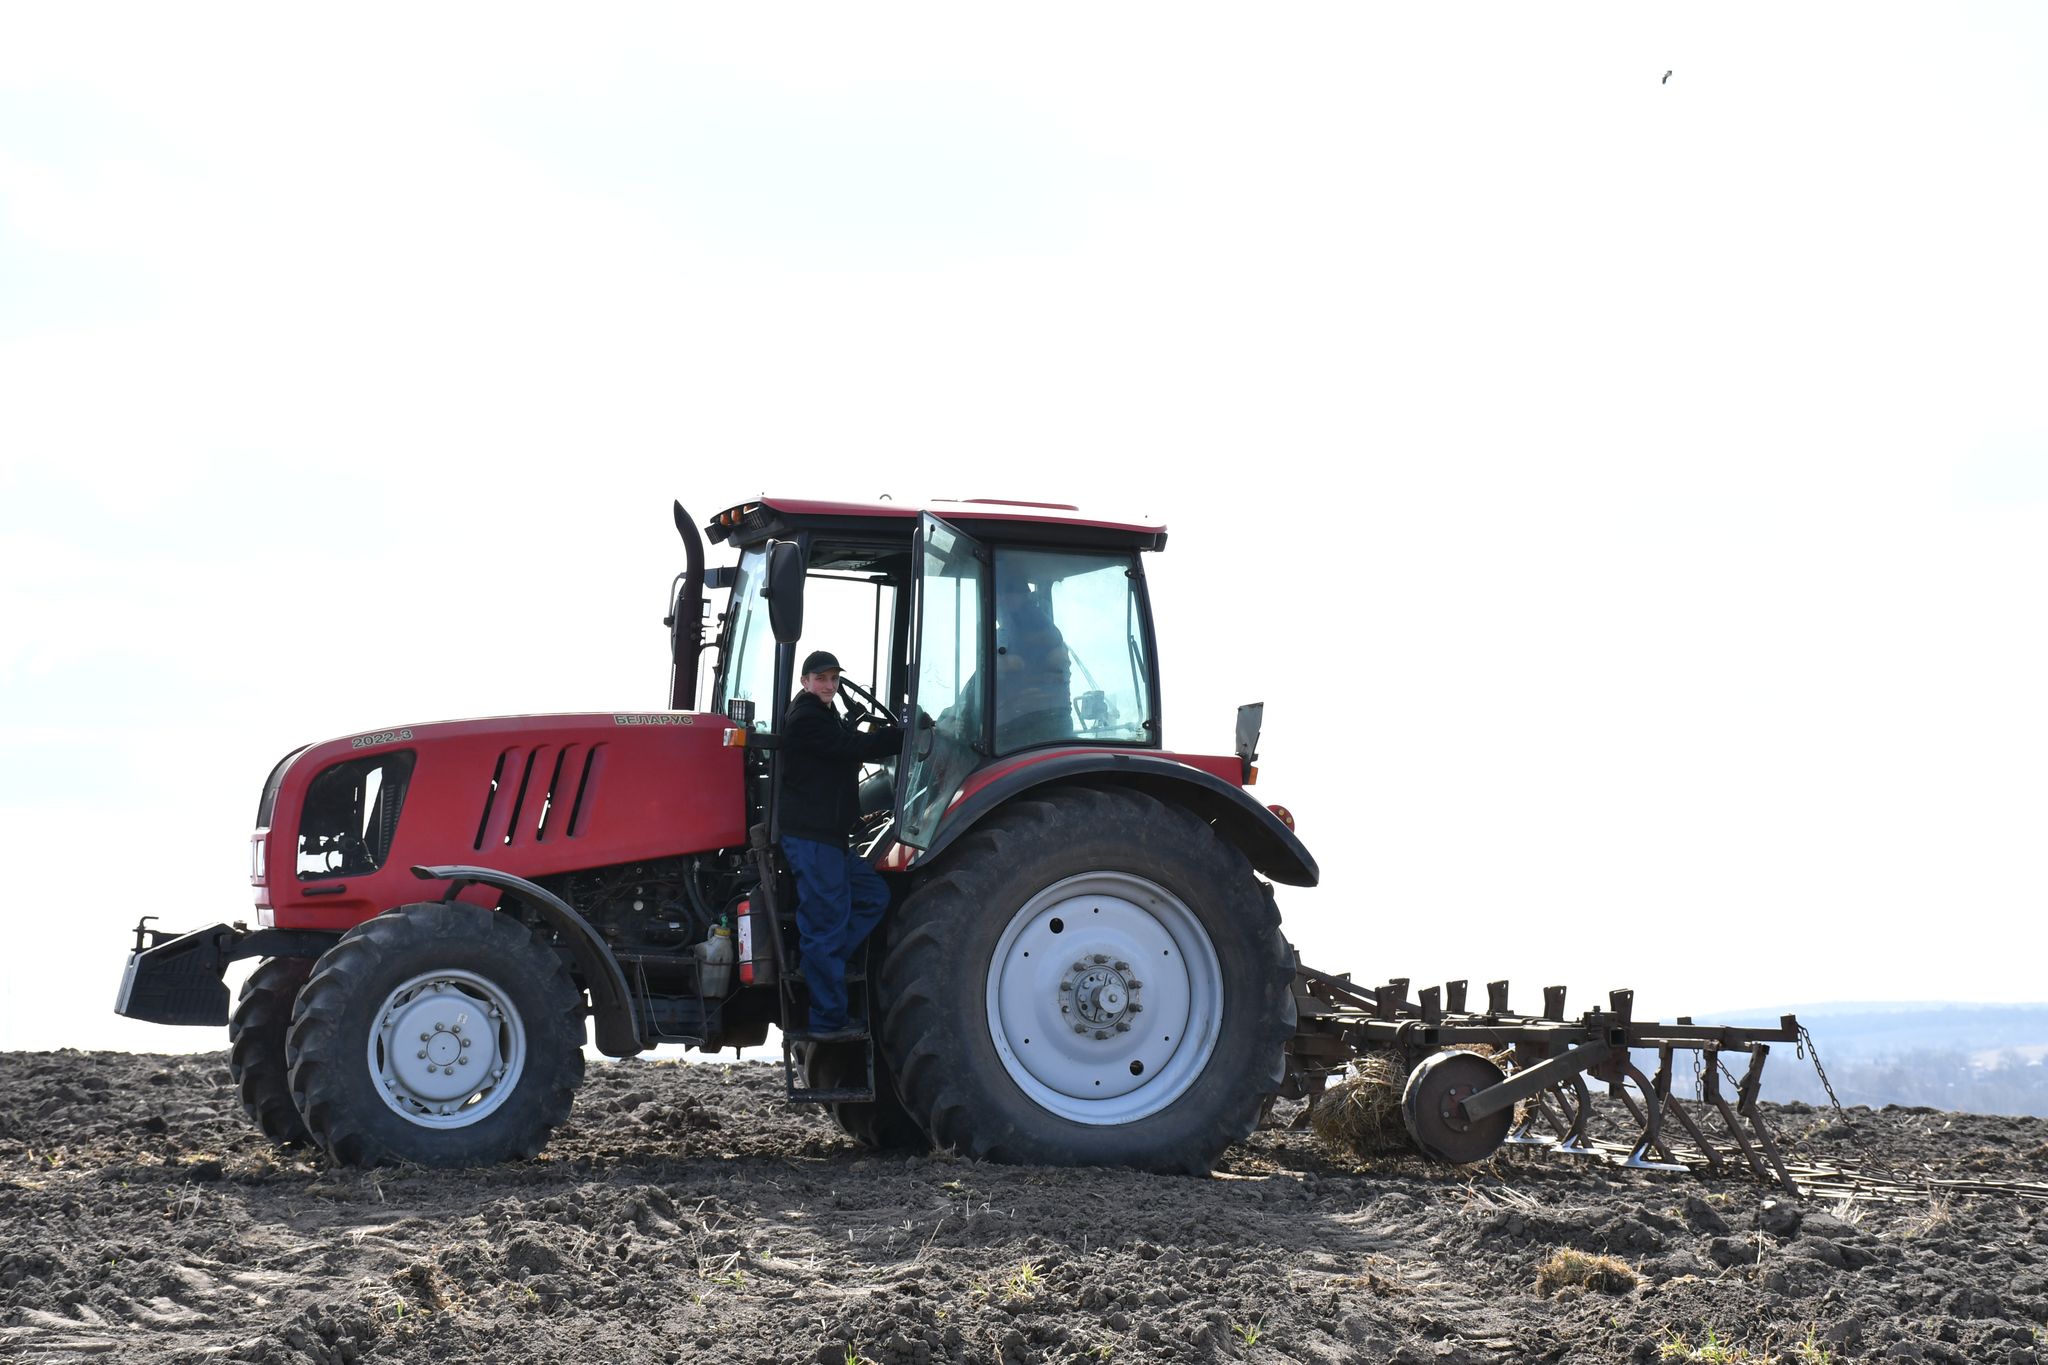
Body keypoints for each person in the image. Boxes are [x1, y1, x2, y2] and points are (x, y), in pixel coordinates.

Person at [778, 649, 902, 1041]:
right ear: (805, 681)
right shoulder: (806, 719)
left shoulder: (825, 714)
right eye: (821, 678)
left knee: (873, 896)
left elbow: (848, 741)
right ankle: (828, 1020)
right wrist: (903, 736)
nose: (829, 685)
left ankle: (820, 965)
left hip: (830, 837)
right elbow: (852, 747)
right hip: (813, 837)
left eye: (833, 678)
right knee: (825, 926)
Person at [993, 576, 1073, 751]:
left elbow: (1015, 664)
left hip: (1028, 732)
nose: (998, 604)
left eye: (1002, 597)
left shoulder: (1031, 627)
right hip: (1041, 726)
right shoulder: (1009, 631)